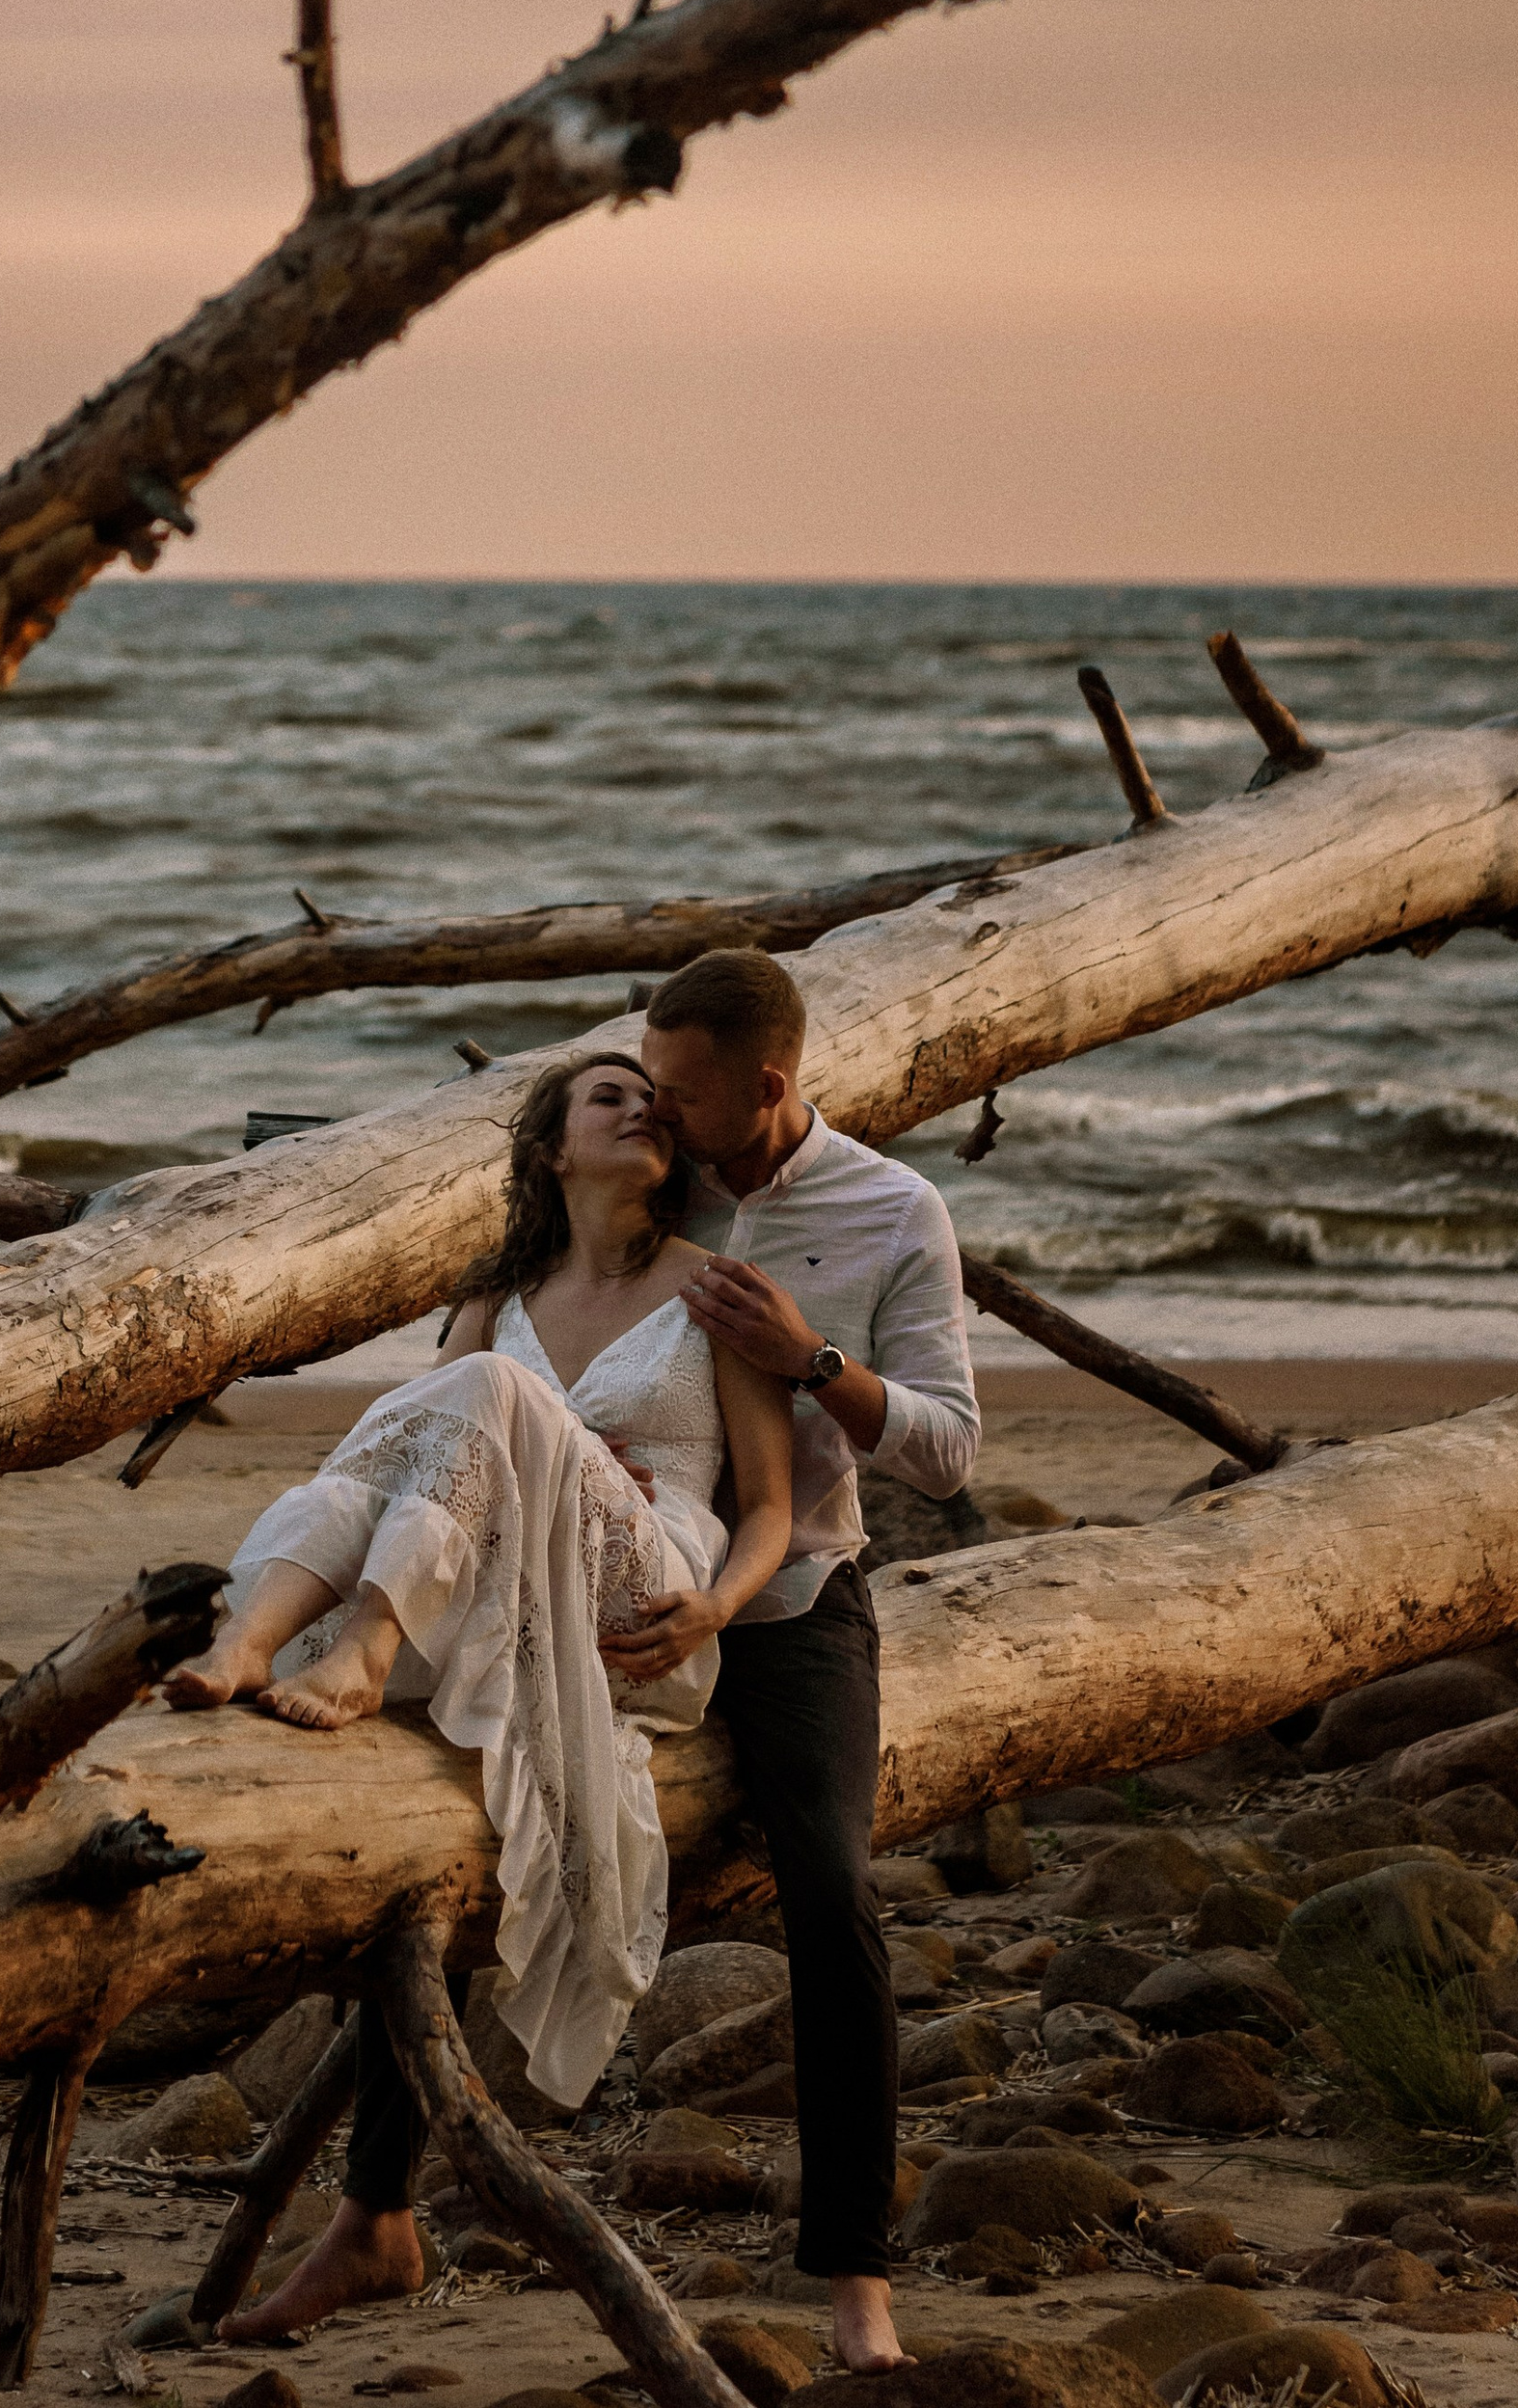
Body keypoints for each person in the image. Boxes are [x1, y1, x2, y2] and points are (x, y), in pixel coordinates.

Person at [166, 1050, 797, 2346]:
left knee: (491, 1393)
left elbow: (776, 1506)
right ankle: (247, 1643)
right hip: (503, 1588)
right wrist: (528, 1455)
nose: (641, 1110)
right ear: (552, 1148)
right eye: (607, 1096)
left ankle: (351, 1645)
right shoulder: (496, 1294)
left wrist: (720, 1605)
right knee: (432, 1411)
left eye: (651, 1101)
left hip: (642, 1598)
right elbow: (404, 1453)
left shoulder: (715, 1290)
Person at [639, 944, 980, 2383]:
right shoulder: (638, 1189)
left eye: (686, 1092)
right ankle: (378, 2213)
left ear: (770, 1086)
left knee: (835, 1898)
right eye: (646, 1083)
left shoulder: (898, 1210)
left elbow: (954, 1450)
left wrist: (811, 1356)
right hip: (621, 1599)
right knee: (460, 1861)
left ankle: (855, 2278)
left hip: (794, 1607)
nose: (658, 1113)